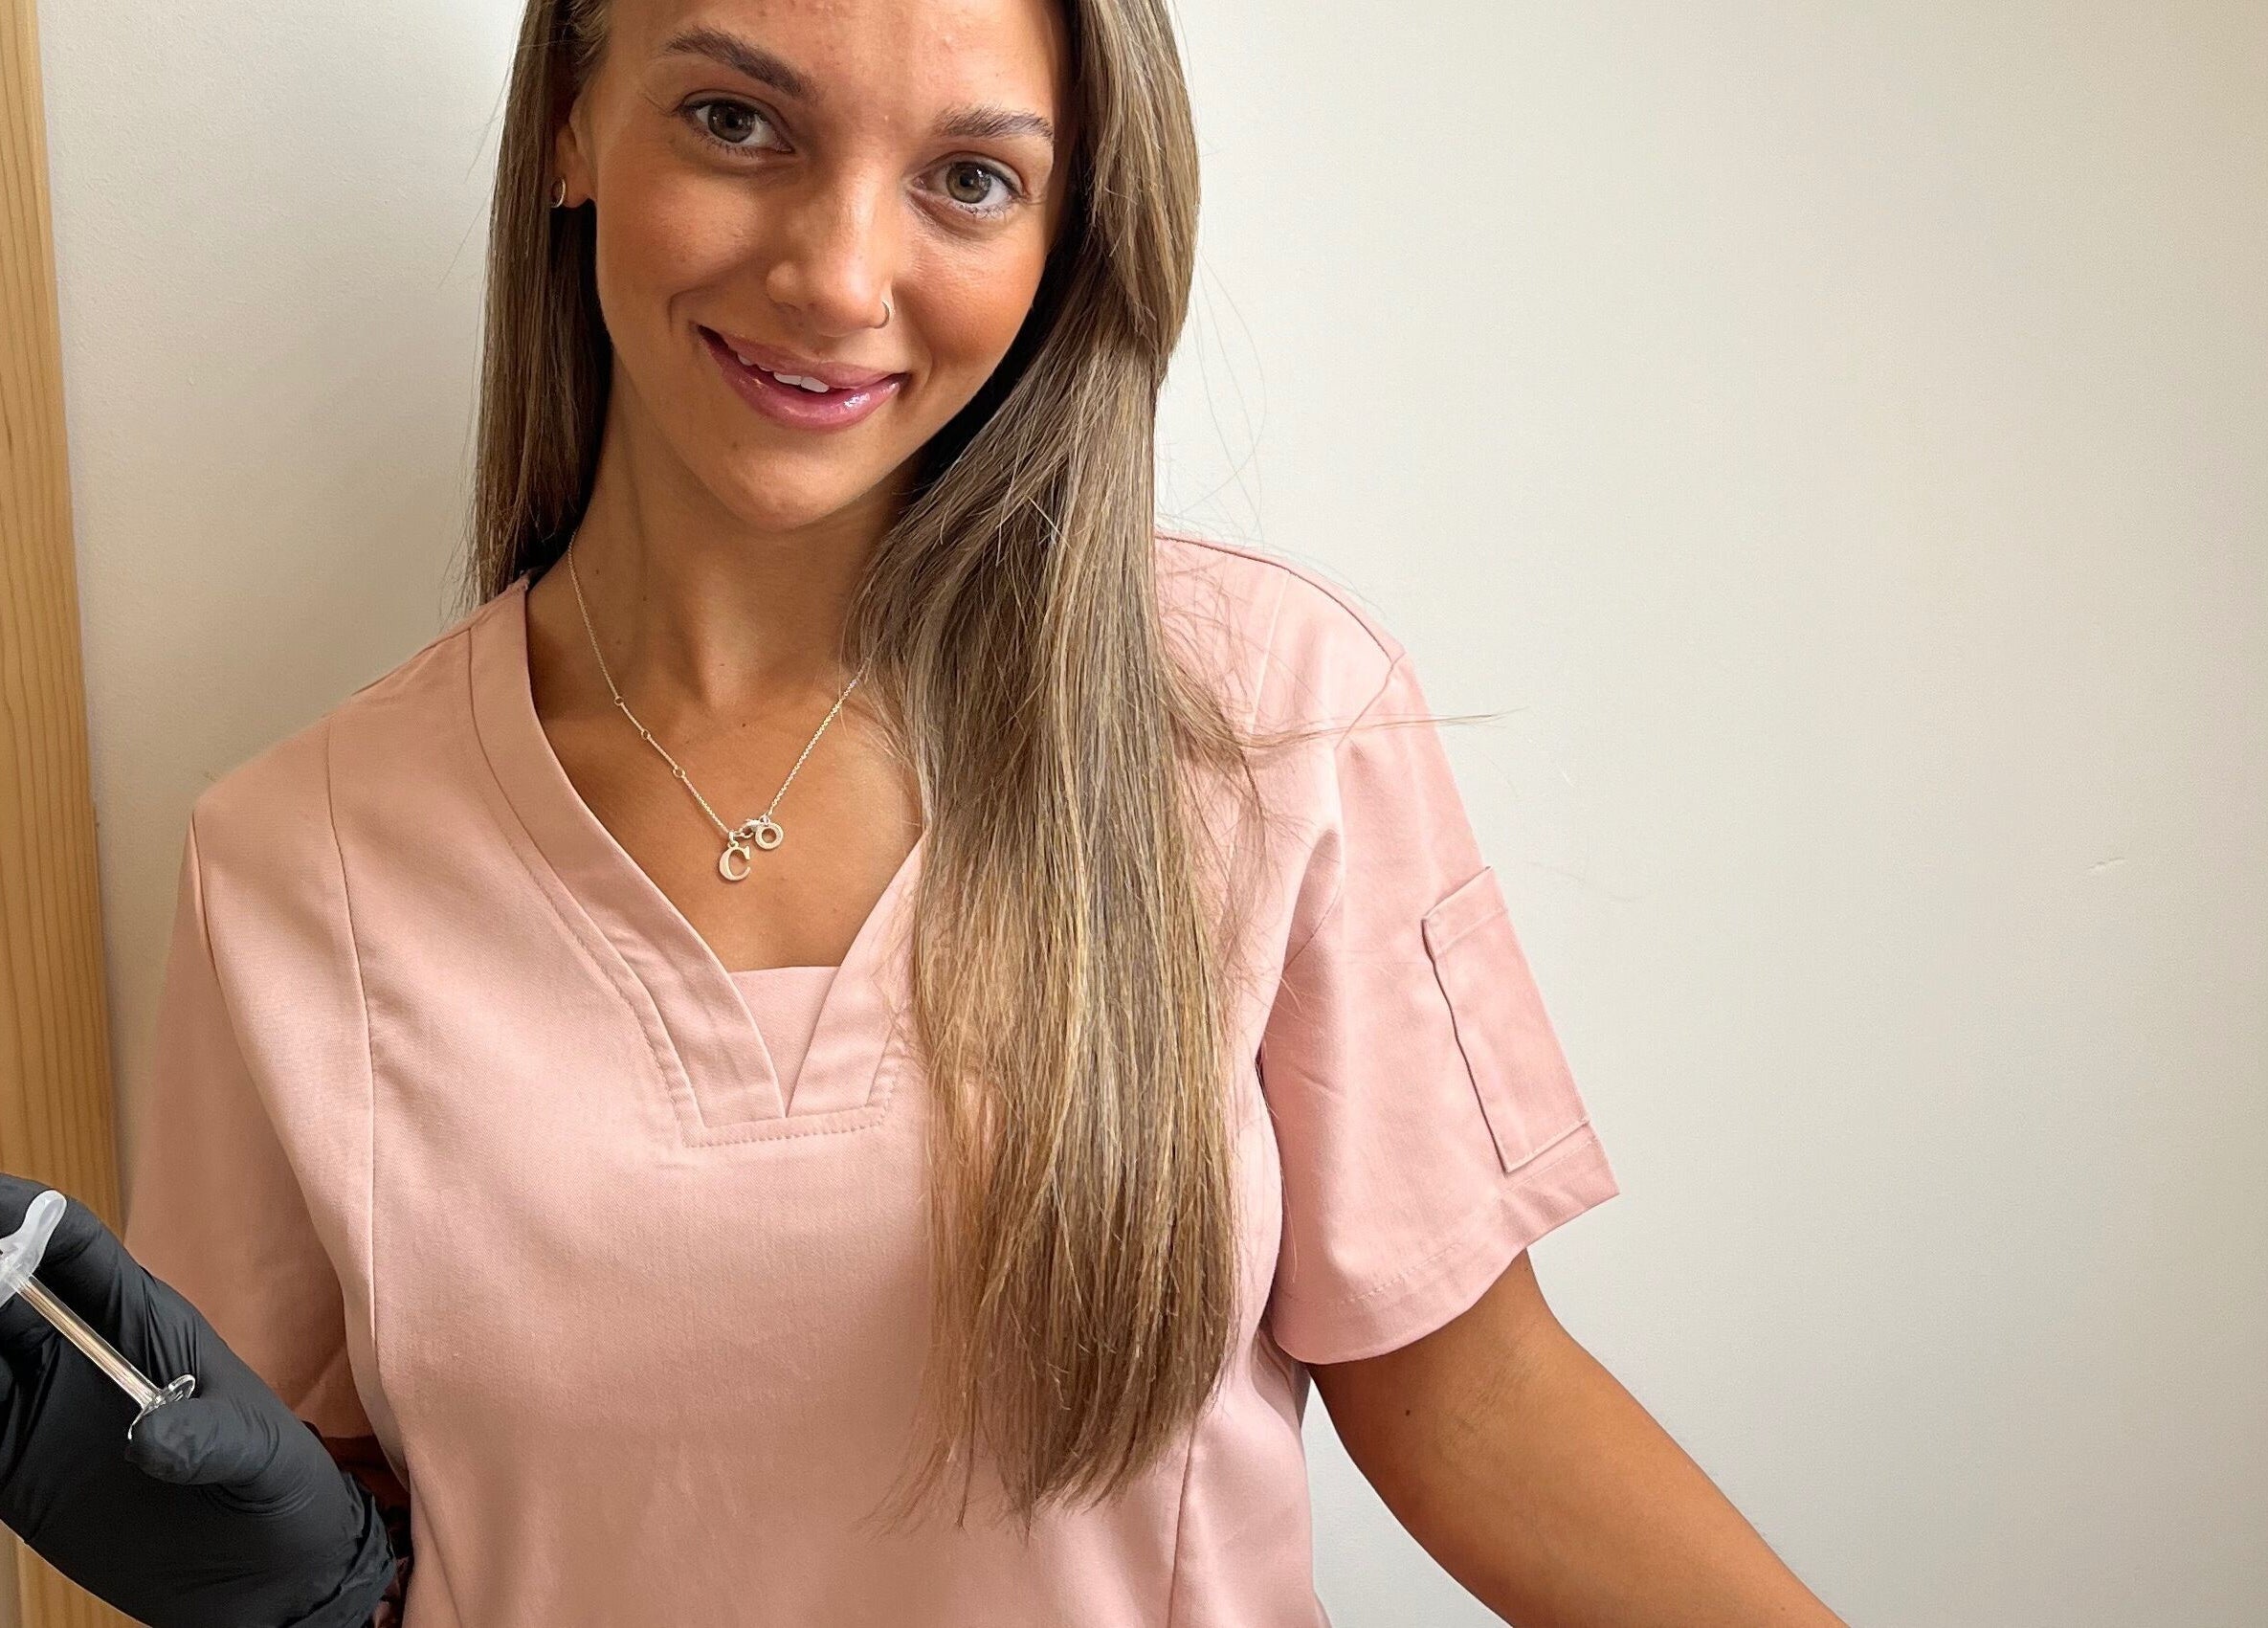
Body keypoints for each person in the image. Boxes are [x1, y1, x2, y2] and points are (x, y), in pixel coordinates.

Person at [0, 0, 1851, 1622]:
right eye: (738, 121)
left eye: (968, 177)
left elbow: (1477, 1404)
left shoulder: (1262, 720)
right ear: (572, 117)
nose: (833, 272)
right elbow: (309, 1524)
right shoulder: (292, 856)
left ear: (1066, 233)